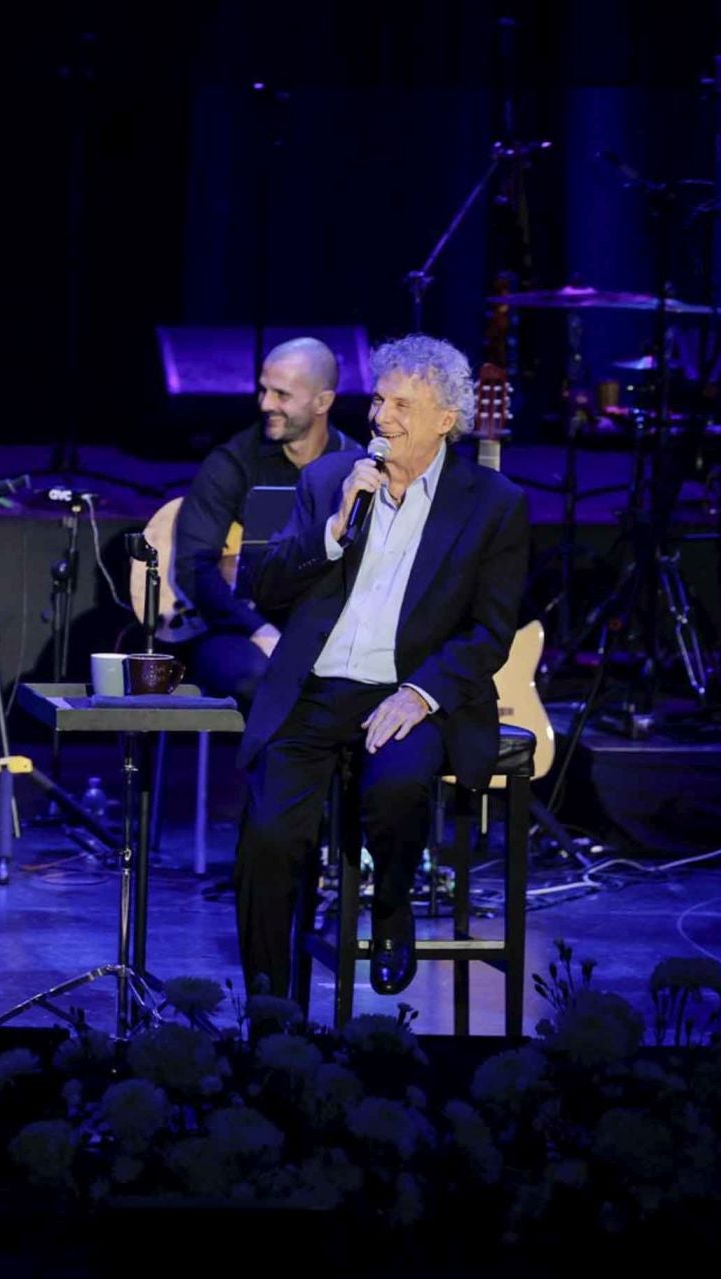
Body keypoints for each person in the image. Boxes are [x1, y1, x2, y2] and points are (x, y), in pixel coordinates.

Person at [232, 334, 529, 1002]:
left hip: (408, 690)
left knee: (395, 789)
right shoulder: (329, 480)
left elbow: (490, 631)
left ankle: (393, 903)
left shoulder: (493, 503)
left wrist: (422, 693)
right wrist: (335, 529)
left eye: (401, 405)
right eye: (378, 400)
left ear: (445, 420)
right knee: (268, 835)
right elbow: (264, 585)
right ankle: (267, 1003)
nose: (380, 417)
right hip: (316, 689)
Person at [173, 337, 360, 705]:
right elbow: (193, 566)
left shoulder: (356, 464)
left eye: (281, 395)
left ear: (322, 402)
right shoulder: (233, 462)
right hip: (241, 629)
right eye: (263, 390)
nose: (265, 404)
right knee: (262, 679)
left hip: (328, 631)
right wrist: (259, 630)